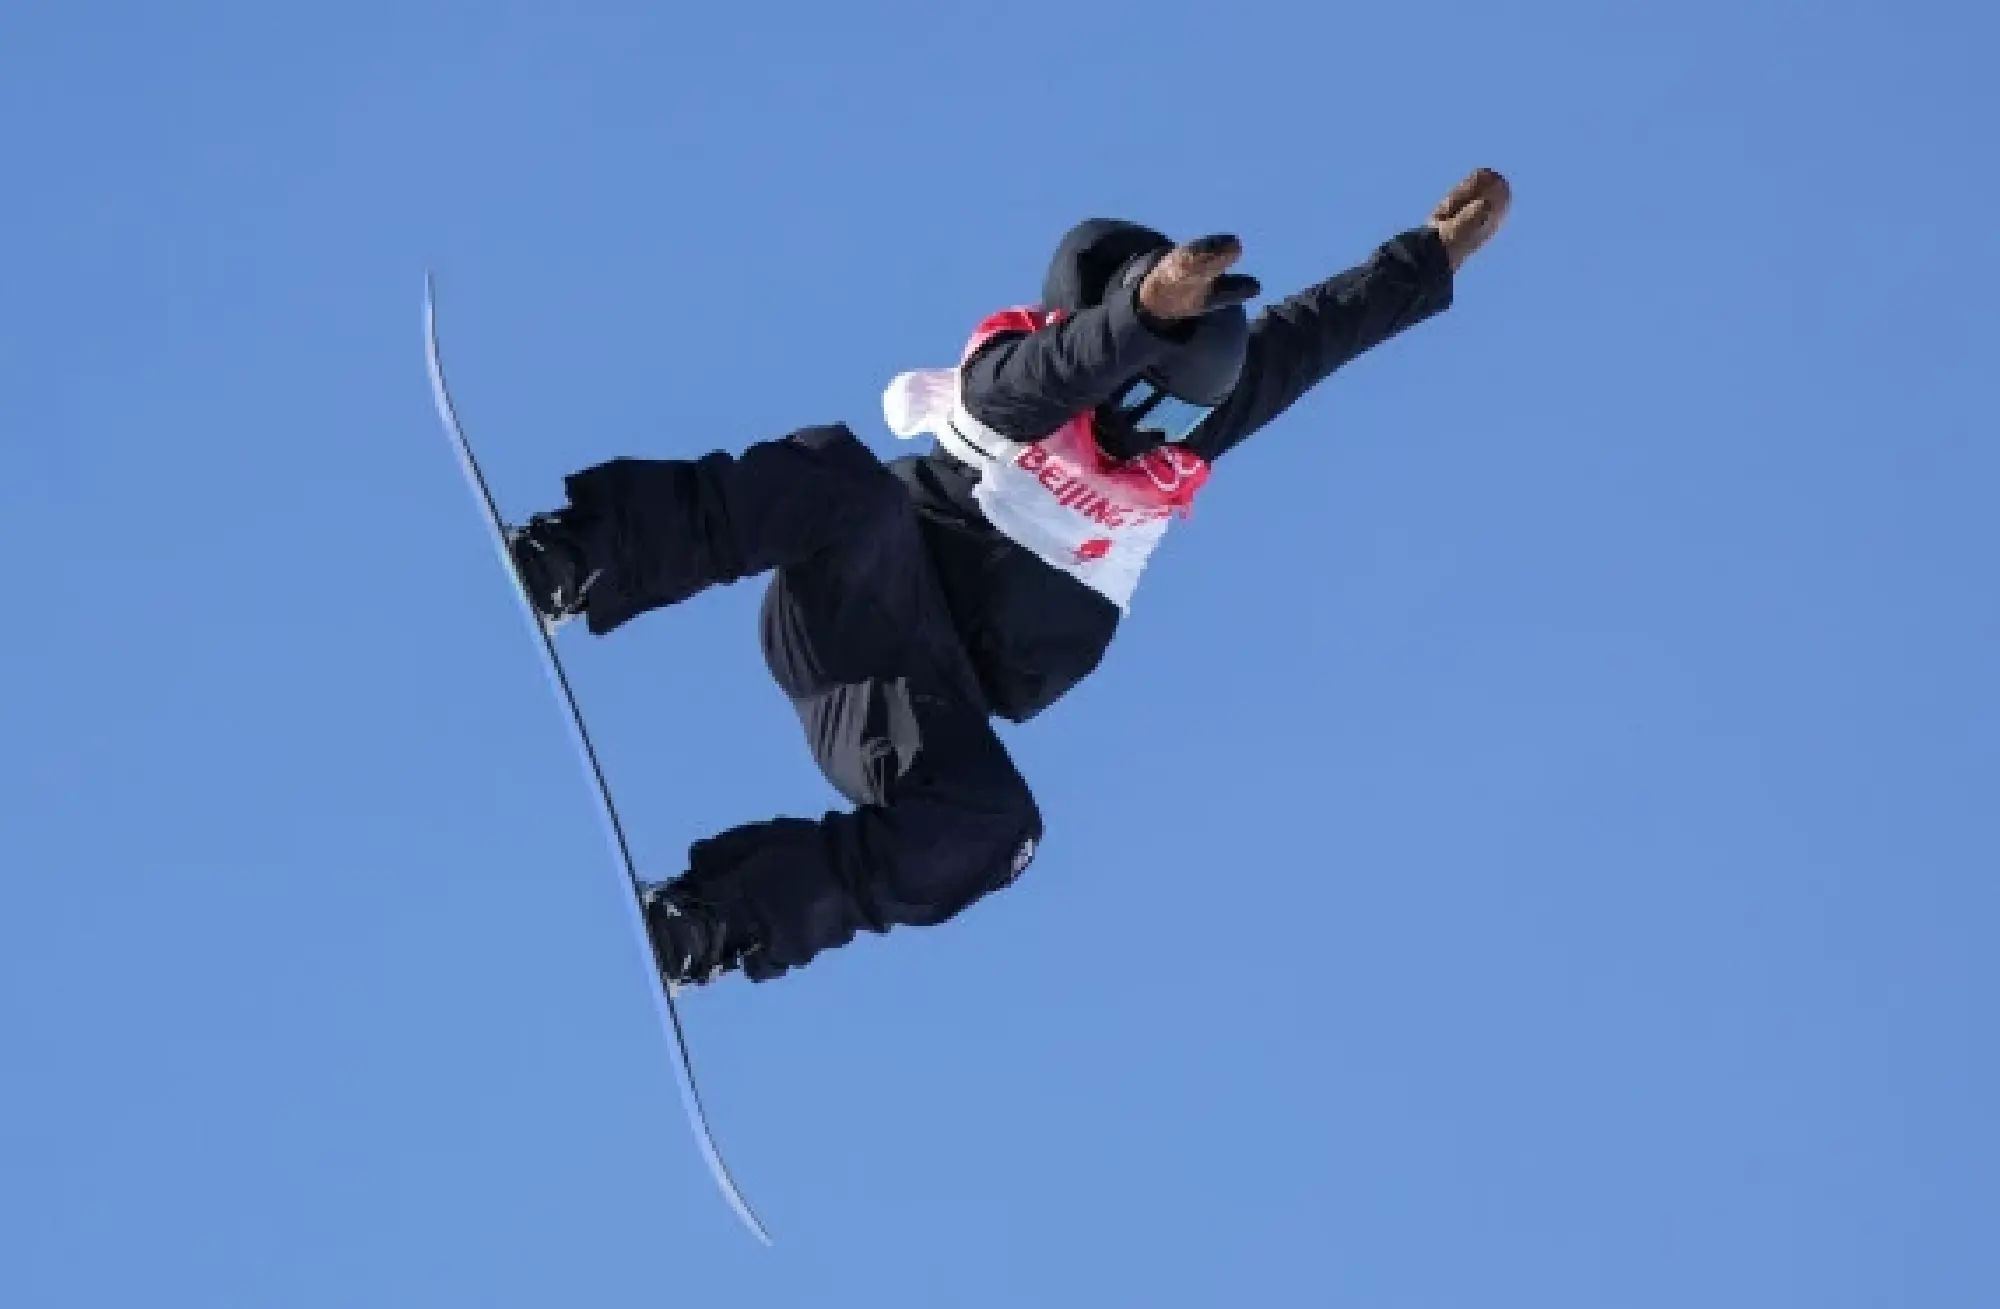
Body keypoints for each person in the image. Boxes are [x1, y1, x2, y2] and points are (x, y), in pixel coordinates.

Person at [505, 168, 1513, 986]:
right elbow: (1059, 373)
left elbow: (1310, 337)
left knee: (999, 832)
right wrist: (1138, 319)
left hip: (915, 704)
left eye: (1171, 424)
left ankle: (713, 922)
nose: (1144, 441)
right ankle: (583, 555)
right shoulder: (1014, 388)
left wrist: (1423, 261)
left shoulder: (1180, 442)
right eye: (1141, 407)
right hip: (856, 597)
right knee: (839, 478)